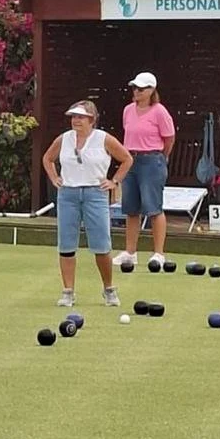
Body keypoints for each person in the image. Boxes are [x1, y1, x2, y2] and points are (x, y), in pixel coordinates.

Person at [42, 100, 132, 308]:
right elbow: (48, 158)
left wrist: (114, 181)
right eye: (74, 116)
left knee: (101, 245)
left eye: (81, 117)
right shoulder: (63, 139)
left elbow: (127, 159)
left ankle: (109, 289)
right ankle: (68, 292)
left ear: (92, 119)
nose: (76, 120)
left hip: (95, 193)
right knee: (66, 245)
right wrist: (55, 178)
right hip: (68, 195)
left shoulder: (104, 139)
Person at [113, 72, 176, 270]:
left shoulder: (159, 111)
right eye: (134, 88)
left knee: (154, 208)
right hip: (130, 160)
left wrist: (161, 157)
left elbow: (169, 138)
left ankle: (159, 253)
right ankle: (130, 253)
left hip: (152, 161)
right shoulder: (128, 110)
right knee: (131, 209)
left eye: (141, 89)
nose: (136, 92)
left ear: (151, 91)